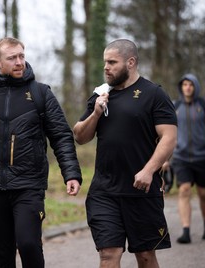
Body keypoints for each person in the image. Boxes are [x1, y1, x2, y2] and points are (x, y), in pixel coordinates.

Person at [0, 37, 82, 268]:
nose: (19, 62)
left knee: (28, 244)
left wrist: (71, 173)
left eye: (21, 56)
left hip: (29, 185)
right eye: (12, 58)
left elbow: (61, 135)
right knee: (2, 256)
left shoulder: (41, 94)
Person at [73, 39, 177, 268]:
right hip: (104, 191)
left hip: (142, 190)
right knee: (108, 254)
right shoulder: (101, 94)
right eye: (104, 63)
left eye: (112, 62)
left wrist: (149, 171)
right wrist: (96, 113)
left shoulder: (154, 94)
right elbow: (79, 136)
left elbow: (169, 137)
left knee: (146, 255)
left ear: (131, 62)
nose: (106, 67)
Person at [166, 73, 205, 244]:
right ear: (181, 87)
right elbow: (168, 134)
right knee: (184, 190)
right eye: (184, 84)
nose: (187, 87)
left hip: (202, 156)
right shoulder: (175, 106)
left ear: (195, 86)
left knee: (203, 193)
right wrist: (166, 157)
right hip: (181, 157)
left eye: (190, 84)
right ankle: (186, 231)